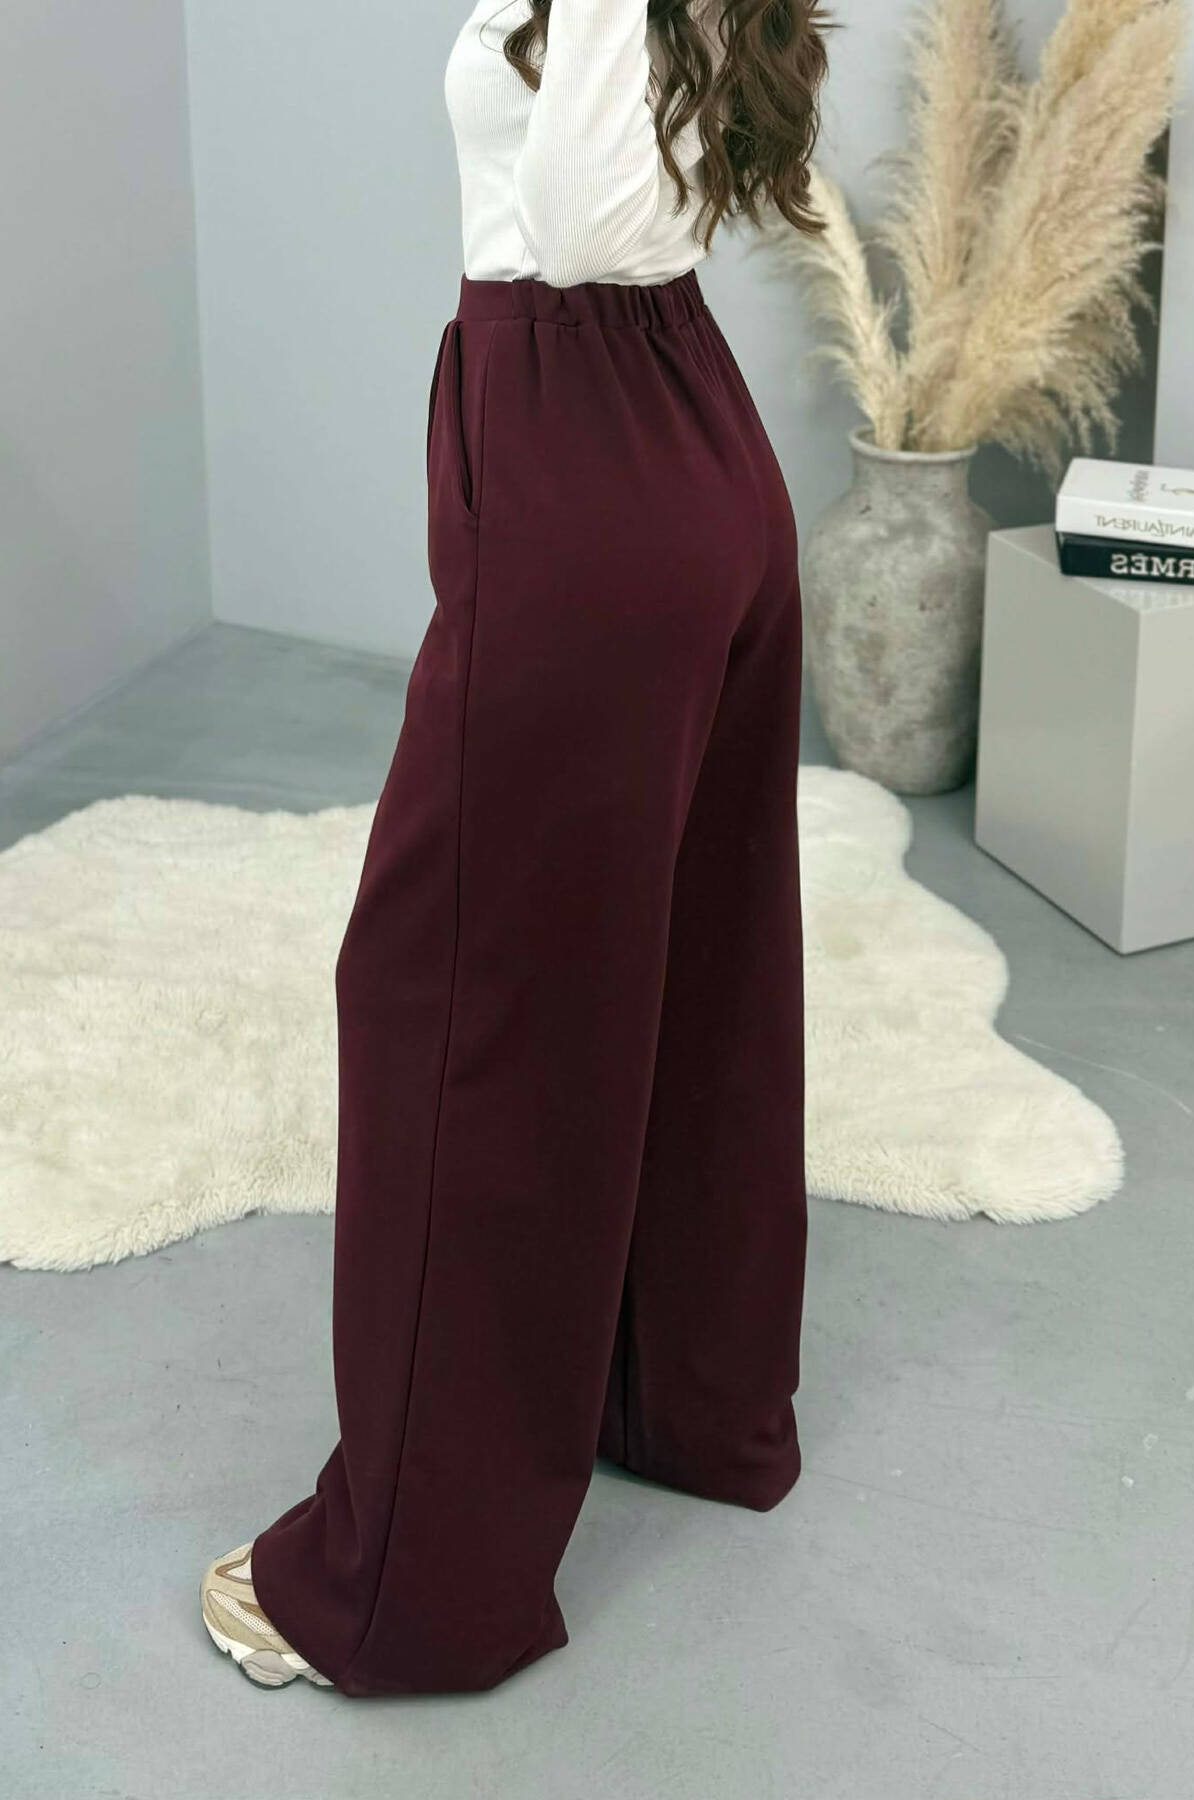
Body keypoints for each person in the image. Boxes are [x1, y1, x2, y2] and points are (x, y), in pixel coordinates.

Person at [199, 0, 830, 1697]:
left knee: (457, 1004)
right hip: (684, 443)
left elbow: (572, 226)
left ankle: (411, 1585)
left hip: (588, 459)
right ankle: (688, 1406)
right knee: (692, 967)